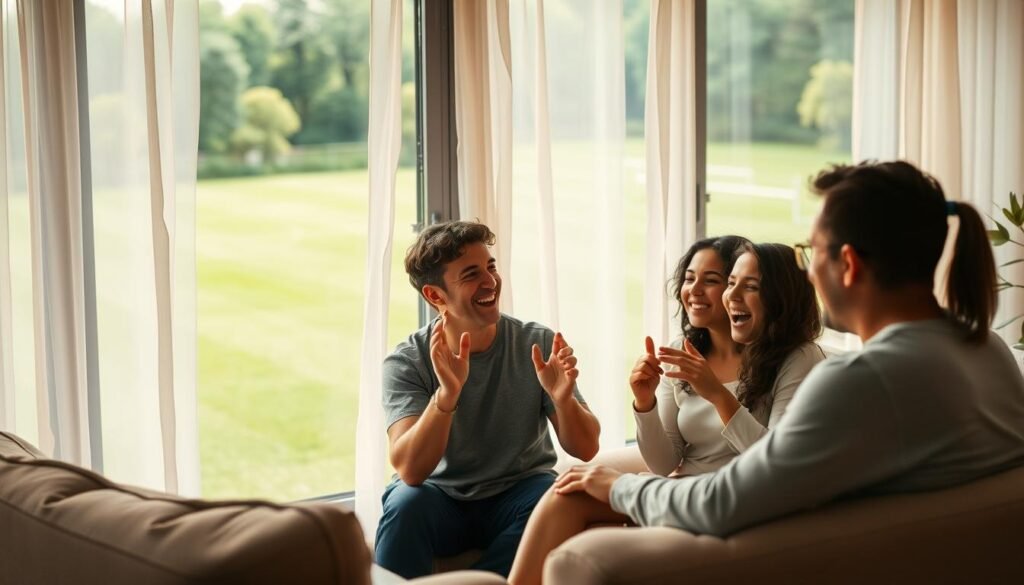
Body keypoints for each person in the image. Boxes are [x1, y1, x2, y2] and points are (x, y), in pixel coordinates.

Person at [551, 160, 1024, 543]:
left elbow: (724, 503)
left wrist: (620, 486)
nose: (808, 274)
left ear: (848, 264)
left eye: (809, 250)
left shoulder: (859, 380)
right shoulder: (991, 352)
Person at [508, 237, 825, 585]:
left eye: (728, 283)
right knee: (567, 494)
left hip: (722, 499)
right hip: (678, 488)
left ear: (781, 298)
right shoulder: (683, 350)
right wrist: (645, 403)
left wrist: (718, 396)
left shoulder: (798, 359)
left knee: (576, 510)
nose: (722, 295)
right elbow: (663, 462)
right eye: (729, 283)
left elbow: (775, 465)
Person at [375, 220, 601, 579]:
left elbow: (587, 447)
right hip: (439, 497)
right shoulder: (406, 361)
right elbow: (411, 470)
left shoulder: (536, 343)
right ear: (435, 296)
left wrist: (564, 400)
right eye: (471, 274)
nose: (490, 281)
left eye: (491, 267)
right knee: (405, 503)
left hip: (518, 490)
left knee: (556, 497)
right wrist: (446, 396)